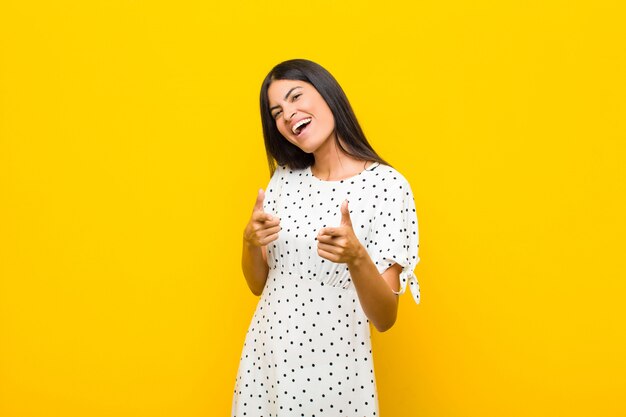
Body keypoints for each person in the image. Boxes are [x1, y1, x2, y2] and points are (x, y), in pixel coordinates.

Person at [232, 59, 420, 416]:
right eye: (277, 112)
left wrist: (357, 257)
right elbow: (259, 285)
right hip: (268, 359)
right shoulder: (284, 180)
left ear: (327, 93)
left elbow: (385, 318)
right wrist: (249, 242)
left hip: (335, 368)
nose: (288, 115)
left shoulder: (387, 186)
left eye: (296, 96)